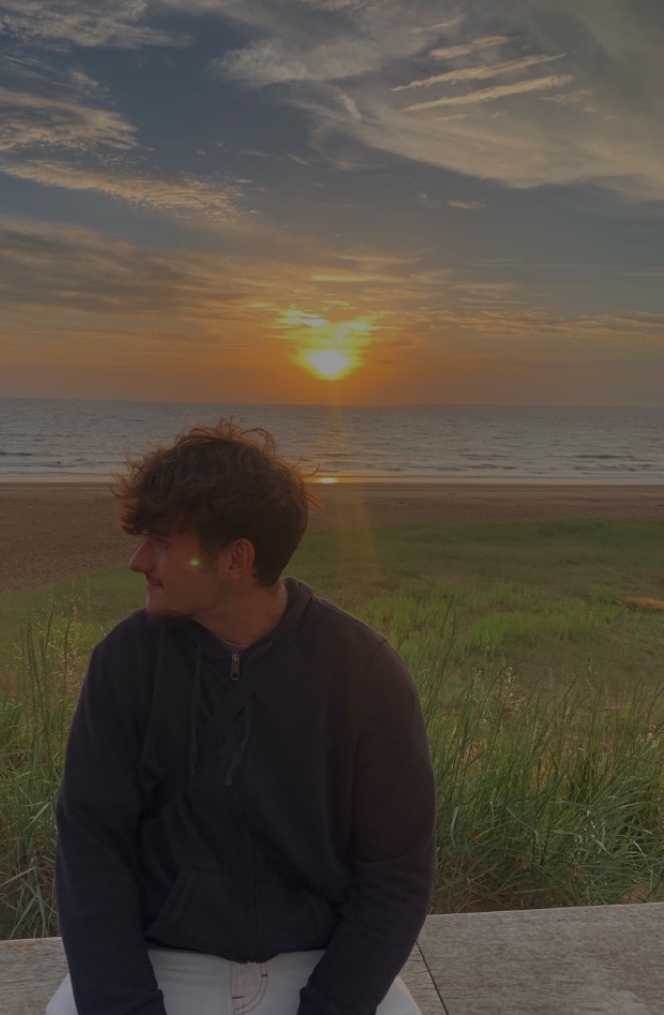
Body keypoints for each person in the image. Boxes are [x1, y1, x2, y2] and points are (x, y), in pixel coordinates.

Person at [47, 421, 435, 1015]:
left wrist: (331, 1007)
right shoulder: (125, 663)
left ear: (236, 559)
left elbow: (396, 873)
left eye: (162, 543)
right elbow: (90, 850)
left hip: (321, 963)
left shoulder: (364, 671)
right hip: (160, 962)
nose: (138, 561)